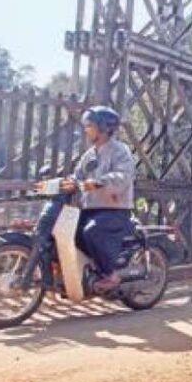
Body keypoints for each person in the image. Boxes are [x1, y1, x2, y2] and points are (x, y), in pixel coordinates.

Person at [61, 105, 136, 293]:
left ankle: (110, 274)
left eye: (89, 125)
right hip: (91, 209)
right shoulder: (89, 154)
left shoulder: (120, 150)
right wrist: (68, 182)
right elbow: (77, 175)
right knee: (68, 232)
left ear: (103, 128)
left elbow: (123, 176)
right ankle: (87, 273)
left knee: (92, 231)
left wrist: (99, 182)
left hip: (115, 210)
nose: (86, 129)